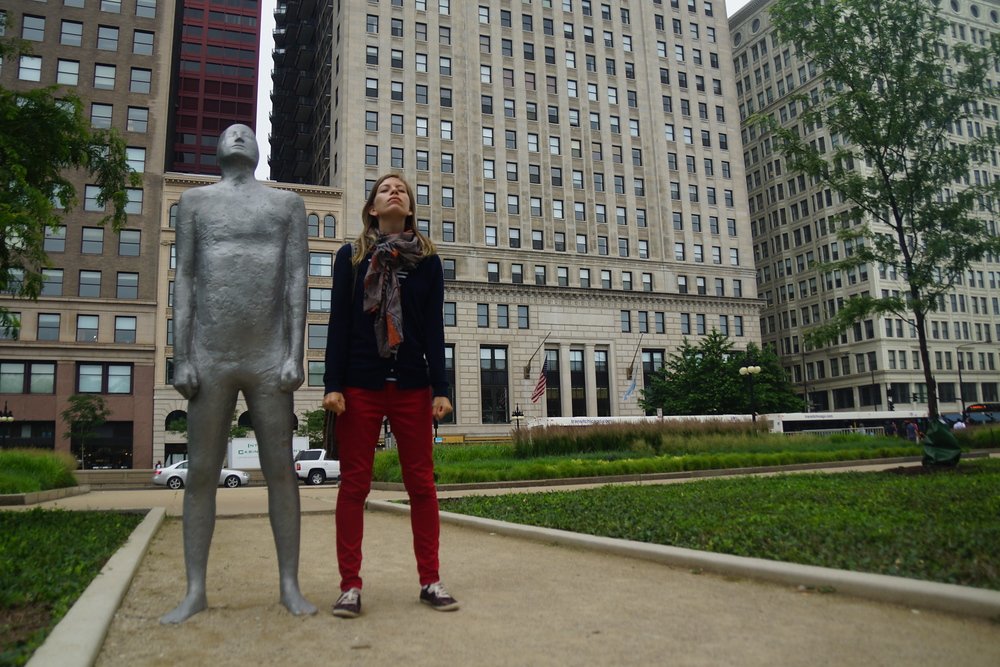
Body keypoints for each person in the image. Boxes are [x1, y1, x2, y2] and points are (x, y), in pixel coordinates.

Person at [163, 124, 316, 623]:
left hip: (269, 355)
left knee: (280, 471)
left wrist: (296, 352)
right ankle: (195, 589)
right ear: (214, 150)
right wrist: (180, 356)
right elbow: (184, 279)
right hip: (210, 354)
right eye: (228, 133)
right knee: (201, 471)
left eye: (245, 133)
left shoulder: (286, 205)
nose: (235, 135)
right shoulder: (195, 204)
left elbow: (297, 278)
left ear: (258, 150)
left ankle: (289, 584)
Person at [323, 173, 457, 618]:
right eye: (384, 189)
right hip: (360, 385)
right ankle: (350, 586)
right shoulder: (351, 258)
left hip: (412, 386)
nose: (394, 191)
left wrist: (441, 387)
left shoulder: (428, 262)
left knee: (422, 485)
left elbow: (435, 329)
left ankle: (430, 580)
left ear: (410, 208)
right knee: (354, 486)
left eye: (401, 188)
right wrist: (332, 386)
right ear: (373, 209)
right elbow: (339, 324)